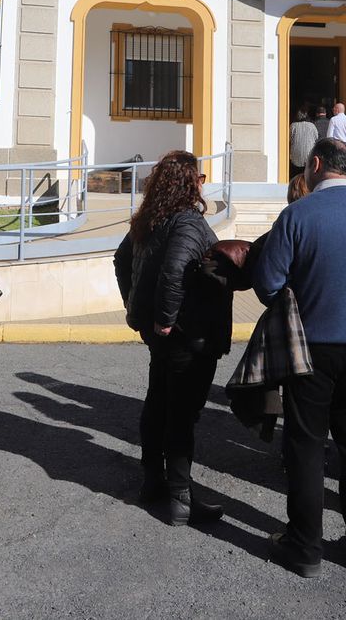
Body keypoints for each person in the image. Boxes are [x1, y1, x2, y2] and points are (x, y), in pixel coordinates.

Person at [252, 138, 346, 578]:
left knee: (306, 446)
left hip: (310, 345)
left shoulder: (297, 215)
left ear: (315, 164)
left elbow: (267, 284)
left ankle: (305, 547)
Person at [114, 150, 225, 527]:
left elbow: (121, 261)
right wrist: (163, 318)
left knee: (159, 403)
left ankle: (154, 482)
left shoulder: (149, 219)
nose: (202, 183)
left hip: (161, 334)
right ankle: (179, 495)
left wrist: (138, 311)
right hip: (184, 334)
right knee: (180, 413)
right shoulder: (187, 222)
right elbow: (175, 270)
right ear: (189, 181)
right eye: (200, 176)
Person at [288, 107, 318, 180]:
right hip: (309, 156)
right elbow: (316, 138)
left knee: (295, 177)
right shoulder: (312, 126)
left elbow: (289, 139)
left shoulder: (293, 126)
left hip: (295, 157)